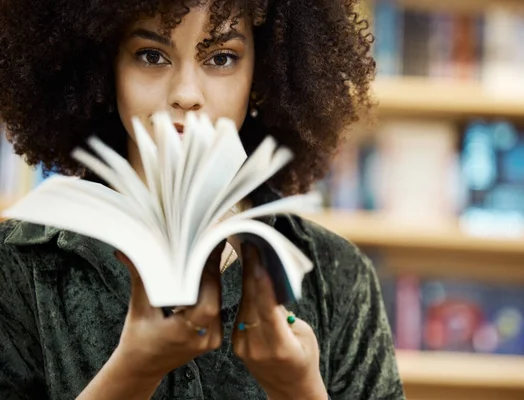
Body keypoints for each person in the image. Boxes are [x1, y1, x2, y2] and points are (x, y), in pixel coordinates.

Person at [0, 1, 404, 399]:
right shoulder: (17, 267)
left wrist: (299, 390)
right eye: (151, 55)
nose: (186, 94)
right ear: (106, 68)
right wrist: (132, 373)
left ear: (260, 75)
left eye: (222, 58)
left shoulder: (339, 277)